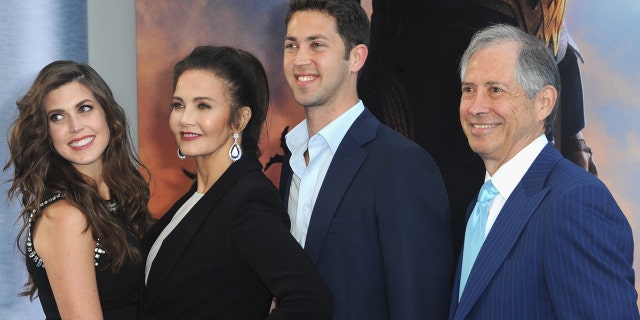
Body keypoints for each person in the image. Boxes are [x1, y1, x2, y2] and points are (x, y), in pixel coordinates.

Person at [450, 24, 639, 319]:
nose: (476, 106)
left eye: (495, 90)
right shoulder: (480, 205)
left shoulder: (576, 201)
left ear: (544, 103)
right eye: (469, 90)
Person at [280, 0, 453, 319]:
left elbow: (418, 306)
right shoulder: (291, 164)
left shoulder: (402, 164)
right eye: (292, 45)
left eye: (317, 44)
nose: (300, 59)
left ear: (356, 57)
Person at [142, 45, 333, 320]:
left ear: (240, 119)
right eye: (178, 105)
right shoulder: (198, 196)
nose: (185, 118)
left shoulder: (247, 199)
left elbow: (311, 301)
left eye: (203, 105)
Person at [4, 60, 152, 319]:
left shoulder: (119, 196)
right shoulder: (66, 216)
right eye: (57, 117)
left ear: (108, 113)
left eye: (84, 108)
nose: (75, 127)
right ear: (46, 133)